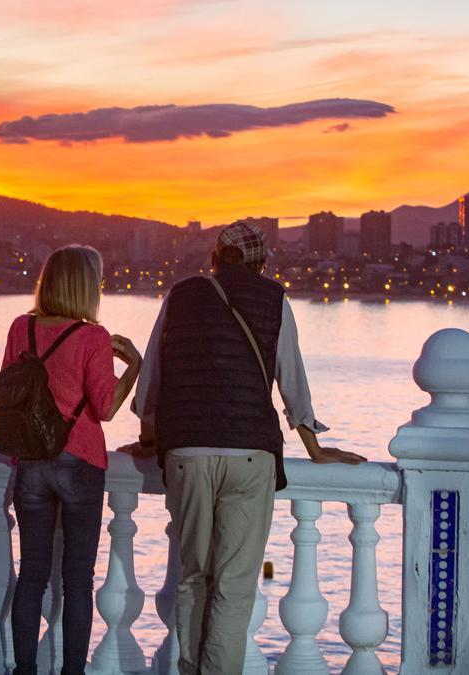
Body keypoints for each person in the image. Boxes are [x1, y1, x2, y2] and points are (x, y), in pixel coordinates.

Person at [125, 221, 365, 674]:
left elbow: (151, 381)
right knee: (234, 588)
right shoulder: (274, 298)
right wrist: (313, 446)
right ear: (260, 264)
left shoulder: (180, 294)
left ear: (214, 257)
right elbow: (292, 380)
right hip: (250, 453)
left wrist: (150, 439)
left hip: (187, 453)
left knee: (194, 578)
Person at [2, 245, 140, 675]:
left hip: (30, 462)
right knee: (77, 579)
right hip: (79, 462)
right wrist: (133, 365)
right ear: (85, 287)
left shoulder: (20, 329)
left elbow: (6, 393)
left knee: (31, 575)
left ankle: (24, 670)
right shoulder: (91, 337)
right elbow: (104, 408)